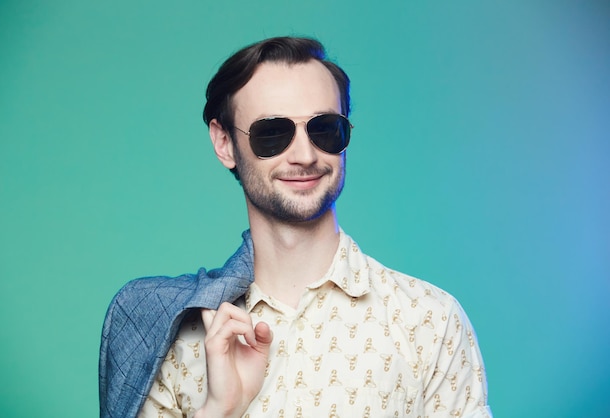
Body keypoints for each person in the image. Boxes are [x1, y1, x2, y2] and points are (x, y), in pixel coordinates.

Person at [99, 36, 492, 418]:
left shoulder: (430, 320)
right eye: (272, 133)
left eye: (324, 129)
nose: (305, 155)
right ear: (224, 143)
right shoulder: (171, 336)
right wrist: (219, 411)